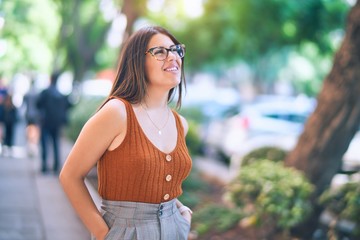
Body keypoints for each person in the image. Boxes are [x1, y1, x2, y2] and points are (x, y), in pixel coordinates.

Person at [59, 26, 193, 240]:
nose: (173, 57)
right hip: (125, 232)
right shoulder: (117, 113)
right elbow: (70, 176)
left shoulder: (180, 123)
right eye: (160, 51)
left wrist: (182, 213)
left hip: (174, 230)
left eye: (176, 50)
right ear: (137, 62)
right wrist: (104, 233)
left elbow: (159, 182)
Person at [37, 71, 71, 173]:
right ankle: (56, 166)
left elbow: (38, 105)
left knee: (44, 144)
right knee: (56, 144)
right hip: (57, 123)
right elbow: (68, 106)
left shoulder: (45, 92)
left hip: (46, 122)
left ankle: (44, 166)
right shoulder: (61, 95)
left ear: (51, 79)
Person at [23, 78, 40, 157]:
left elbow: (24, 104)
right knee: (35, 131)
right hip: (35, 115)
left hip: (29, 115)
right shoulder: (37, 93)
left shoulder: (28, 93)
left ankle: (30, 146)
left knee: (29, 130)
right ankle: (33, 146)